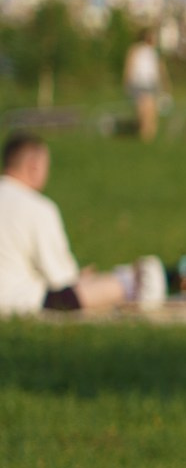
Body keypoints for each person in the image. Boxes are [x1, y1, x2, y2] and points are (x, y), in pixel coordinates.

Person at [0, 134, 156, 313]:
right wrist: (82, 279)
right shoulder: (37, 207)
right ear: (33, 166)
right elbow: (61, 278)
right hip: (22, 303)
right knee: (127, 279)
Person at [123, 30, 163, 143]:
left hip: (151, 83)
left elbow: (159, 68)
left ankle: (150, 136)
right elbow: (129, 65)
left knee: (152, 110)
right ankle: (144, 135)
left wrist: (162, 83)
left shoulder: (154, 51)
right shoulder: (135, 49)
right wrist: (127, 81)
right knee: (142, 111)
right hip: (139, 82)